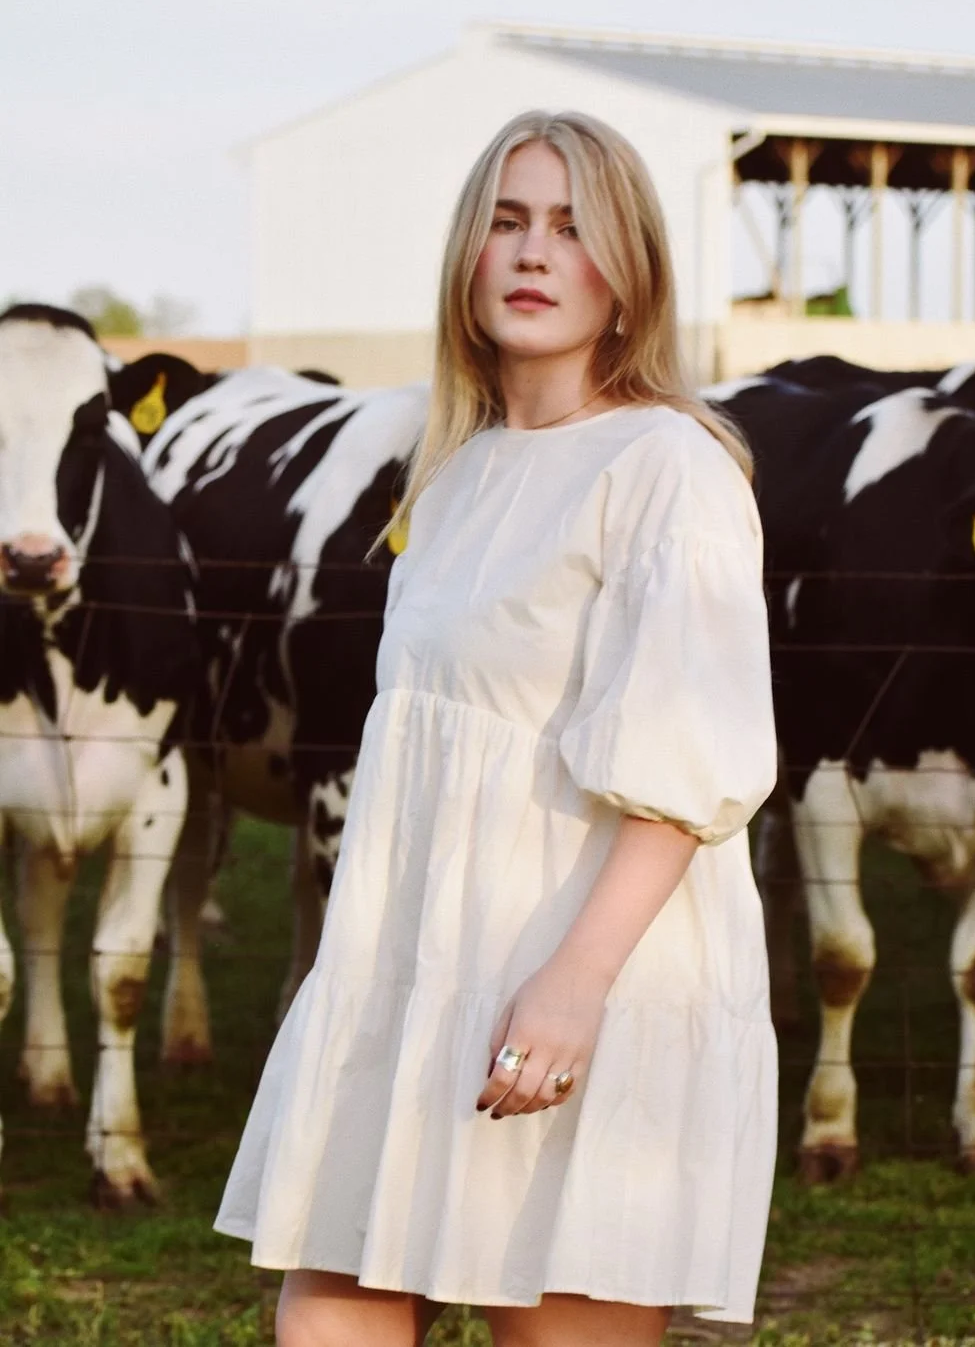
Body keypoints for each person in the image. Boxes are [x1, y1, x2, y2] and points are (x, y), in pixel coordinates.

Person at [214, 108, 778, 1347]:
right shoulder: (455, 475)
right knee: (326, 1311)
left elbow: (688, 762)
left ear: (627, 276)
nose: (534, 253)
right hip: (413, 967)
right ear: (468, 259)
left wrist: (573, 987)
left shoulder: (668, 467)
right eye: (509, 222)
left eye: (574, 229)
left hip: (583, 974)